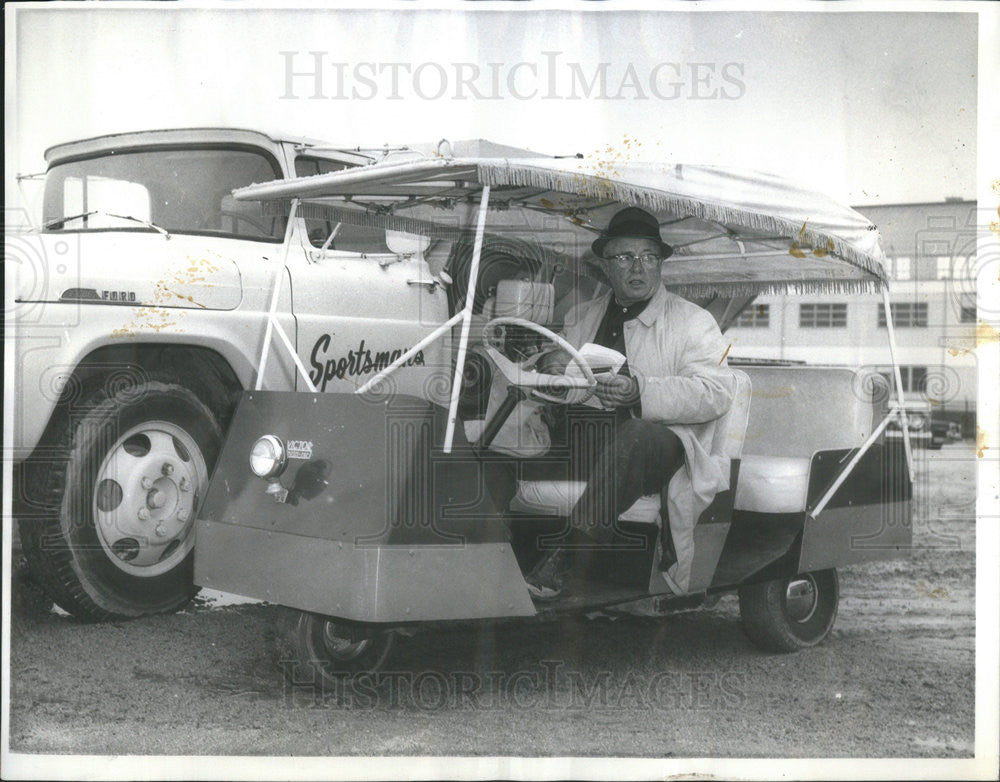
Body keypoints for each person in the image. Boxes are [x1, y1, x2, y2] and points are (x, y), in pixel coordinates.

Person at [516, 206, 738, 599]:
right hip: (587, 436)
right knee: (500, 437)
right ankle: (476, 551)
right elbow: (552, 375)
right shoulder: (582, 316)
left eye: (649, 257)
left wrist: (641, 390)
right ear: (605, 266)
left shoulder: (693, 321)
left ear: (660, 264)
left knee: (636, 433)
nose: (638, 267)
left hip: (660, 447)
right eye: (624, 257)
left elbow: (716, 392)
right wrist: (549, 363)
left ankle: (564, 558)